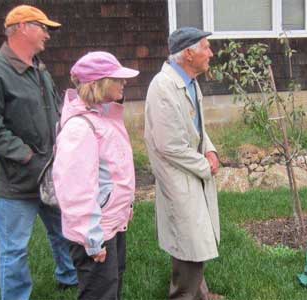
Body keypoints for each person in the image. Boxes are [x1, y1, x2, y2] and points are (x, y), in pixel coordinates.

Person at [0, 5, 77, 300]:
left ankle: (69, 277)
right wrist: (25, 155)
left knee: (63, 230)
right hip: (16, 180)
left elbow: (55, 113)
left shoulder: (40, 71)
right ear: (23, 28)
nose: (48, 36)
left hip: (50, 173)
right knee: (14, 249)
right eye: (43, 28)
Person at [52, 51, 138, 300]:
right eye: (117, 78)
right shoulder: (80, 128)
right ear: (98, 83)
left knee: (111, 286)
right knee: (99, 293)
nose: (124, 83)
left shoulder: (104, 117)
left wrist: (124, 208)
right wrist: (92, 239)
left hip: (110, 223)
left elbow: (114, 170)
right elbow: (75, 191)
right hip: (95, 230)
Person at [144, 27, 222, 300]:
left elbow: (196, 129)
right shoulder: (162, 88)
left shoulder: (189, 81)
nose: (210, 53)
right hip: (178, 175)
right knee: (188, 240)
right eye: (205, 47)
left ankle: (200, 293)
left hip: (190, 170)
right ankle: (183, 296)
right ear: (188, 53)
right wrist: (205, 165)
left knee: (196, 237)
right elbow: (170, 145)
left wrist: (210, 150)